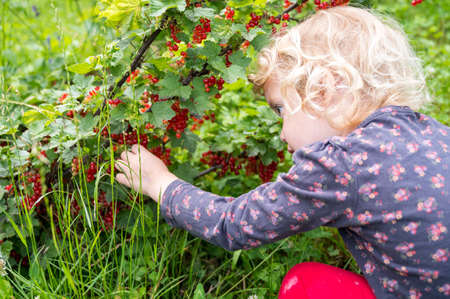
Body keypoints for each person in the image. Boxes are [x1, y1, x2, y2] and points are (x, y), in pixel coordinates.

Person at [114, 5, 450, 298]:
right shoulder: (436, 133)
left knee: (306, 283)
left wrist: (159, 183)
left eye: (279, 110)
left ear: (322, 90)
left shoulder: (340, 164)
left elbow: (234, 224)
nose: (282, 132)